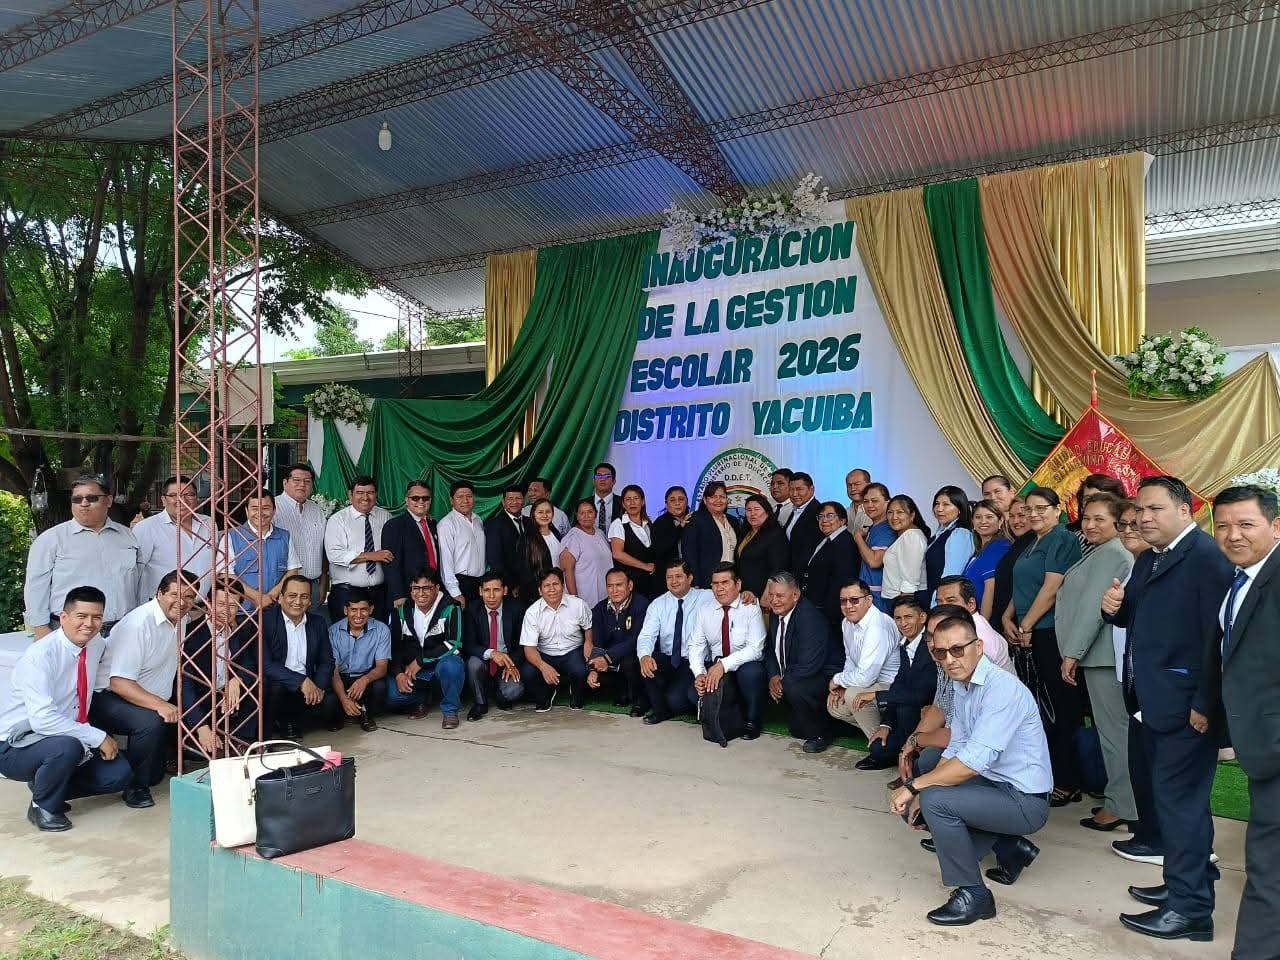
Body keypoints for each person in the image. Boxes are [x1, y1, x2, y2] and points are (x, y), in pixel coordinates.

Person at [1102, 475, 1233, 942]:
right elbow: (1133, 615)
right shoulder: (1151, 557)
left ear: (1185, 510)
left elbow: (1218, 639)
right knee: (1175, 804)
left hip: (1186, 709)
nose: (1143, 518)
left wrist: (1204, 704)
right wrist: (1113, 607)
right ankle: (1184, 884)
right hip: (1152, 702)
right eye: (1140, 509)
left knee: (1181, 807)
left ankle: (1191, 910)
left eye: (1155, 509)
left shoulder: (1206, 558)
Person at [889, 615, 1052, 927]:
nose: (950, 660)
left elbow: (970, 763)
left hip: (1025, 801)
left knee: (935, 801)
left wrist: (915, 788)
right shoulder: (965, 685)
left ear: (978, 647)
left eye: (958, 649)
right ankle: (1011, 848)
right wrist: (919, 791)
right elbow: (957, 748)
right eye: (941, 652)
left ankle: (974, 896)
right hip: (995, 785)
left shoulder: (1001, 690)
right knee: (923, 798)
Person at [1210, 485, 1280, 960]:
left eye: (1246, 524)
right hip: (1260, 744)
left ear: (1275, 527)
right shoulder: (1240, 579)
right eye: (1223, 526)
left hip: (1273, 744)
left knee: (1268, 867)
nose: (1233, 535)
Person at [0, 586, 133, 832]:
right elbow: (42, 720)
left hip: (67, 735)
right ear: (63, 617)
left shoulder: (95, 645)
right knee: (66, 747)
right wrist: (97, 736)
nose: (89, 624)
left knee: (118, 774)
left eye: (96, 617)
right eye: (81, 616)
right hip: (16, 744)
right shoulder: (40, 656)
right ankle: (43, 806)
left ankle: (46, 784)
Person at [1056, 493, 1136, 832]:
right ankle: (1122, 800)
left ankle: (1122, 806)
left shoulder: (1113, 553)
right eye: (1086, 518)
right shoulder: (1101, 551)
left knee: (1115, 735)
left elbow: (1093, 609)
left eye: (1099, 519)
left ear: (1117, 523)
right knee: (1114, 733)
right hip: (1099, 656)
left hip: (1102, 657)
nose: (1089, 525)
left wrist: (1072, 653)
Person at [90, 569, 198, 808]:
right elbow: (119, 682)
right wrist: (160, 704)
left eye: (190, 597)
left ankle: (132, 769)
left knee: (155, 776)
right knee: (150, 721)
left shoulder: (181, 620)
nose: (182, 602)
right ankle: (135, 788)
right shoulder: (139, 624)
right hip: (108, 696)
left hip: (143, 697)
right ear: (159, 593)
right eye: (175, 595)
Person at [1005, 486, 1083, 806]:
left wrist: (1026, 624)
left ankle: (1068, 781)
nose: (1033, 514)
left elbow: (1051, 588)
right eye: (1029, 509)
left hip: (1050, 632)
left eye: (1041, 508)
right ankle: (1045, 775)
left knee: (1060, 709)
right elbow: (1024, 586)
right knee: (1038, 708)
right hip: (1028, 633)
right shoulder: (1032, 541)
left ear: (1057, 510)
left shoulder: (1061, 539)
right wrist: (1008, 616)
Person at [24, 474, 141, 638]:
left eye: (91, 498)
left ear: (108, 500)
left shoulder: (127, 536)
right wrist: (41, 630)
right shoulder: (51, 540)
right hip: (70, 632)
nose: (84, 503)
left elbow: (138, 583)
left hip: (123, 631)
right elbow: (35, 587)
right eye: (77, 499)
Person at [688, 562, 767, 740]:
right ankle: (729, 712)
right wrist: (699, 673)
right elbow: (695, 645)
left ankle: (752, 720)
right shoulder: (704, 610)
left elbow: (756, 649)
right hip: (718, 666)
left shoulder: (750, 607)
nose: (720, 588)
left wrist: (723, 665)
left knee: (752, 674)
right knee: (692, 694)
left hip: (744, 666)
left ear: (738, 585)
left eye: (725, 583)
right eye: (715, 584)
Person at [859, 595, 938, 770]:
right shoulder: (905, 644)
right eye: (898, 618)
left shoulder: (930, 645)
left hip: (930, 718)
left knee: (905, 708)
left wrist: (877, 695)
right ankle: (903, 753)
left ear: (922, 617)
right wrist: (885, 725)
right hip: (907, 717)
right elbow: (898, 685)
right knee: (877, 749)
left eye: (908, 617)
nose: (903, 623)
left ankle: (913, 758)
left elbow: (921, 696)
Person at [180, 579, 257, 755]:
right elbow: (186, 688)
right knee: (199, 754)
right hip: (198, 704)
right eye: (221, 604)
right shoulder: (191, 635)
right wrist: (201, 727)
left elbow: (249, 664)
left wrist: (236, 680)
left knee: (256, 684)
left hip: (225, 700)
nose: (226, 611)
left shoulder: (238, 631)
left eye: (233, 606)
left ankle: (241, 741)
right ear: (208, 603)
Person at [764, 572, 837, 752]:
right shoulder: (777, 611)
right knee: (796, 728)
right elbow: (770, 648)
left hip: (825, 676)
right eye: (771, 595)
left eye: (780, 596)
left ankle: (821, 734)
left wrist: (781, 682)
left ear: (795, 595)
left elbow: (809, 665)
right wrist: (773, 676)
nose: (774, 600)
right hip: (797, 673)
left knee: (796, 689)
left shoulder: (809, 617)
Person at [262, 575, 339, 738]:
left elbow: (327, 661)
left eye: (304, 597)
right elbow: (266, 665)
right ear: (281, 598)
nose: (298, 602)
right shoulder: (266, 622)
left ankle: (291, 721)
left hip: (307, 686)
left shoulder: (317, 623)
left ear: (310, 601)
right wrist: (301, 681)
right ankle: (282, 724)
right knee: (277, 689)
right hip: (280, 684)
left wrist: (318, 687)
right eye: (292, 595)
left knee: (331, 704)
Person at [389, 568, 465, 729]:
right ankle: (421, 699)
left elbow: (455, 645)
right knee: (392, 695)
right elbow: (395, 647)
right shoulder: (402, 610)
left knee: (452, 665)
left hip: (439, 669)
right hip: (415, 674)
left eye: (426, 588)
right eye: (416, 588)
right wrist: (398, 674)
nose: (420, 593)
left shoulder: (451, 607)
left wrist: (421, 661)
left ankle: (450, 711)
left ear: (437, 588)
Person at [635, 559, 709, 724]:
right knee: (648, 659)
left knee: (677, 702)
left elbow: (731, 597)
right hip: (669, 660)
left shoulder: (707, 597)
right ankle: (660, 711)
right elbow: (646, 635)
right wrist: (644, 656)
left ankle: (678, 698)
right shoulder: (658, 604)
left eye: (678, 576)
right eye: (669, 577)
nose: (674, 581)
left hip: (693, 661)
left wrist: (748, 594)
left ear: (690, 578)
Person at [826, 578, 899, 741]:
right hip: (869, 682)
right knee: (835, 706)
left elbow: (866, 678)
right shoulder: (847, 622)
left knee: (853, 695)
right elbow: (850, 659)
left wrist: (837, 680)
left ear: (869, 600)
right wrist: (843, 685)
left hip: (890, 685)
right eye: (843, 601)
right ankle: (890, 733)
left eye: (854, 600)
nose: (848, 606)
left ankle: (880, 745)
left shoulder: (877, 626)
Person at [520, 568, 593, 712]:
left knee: (580, 670)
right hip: (545, 654)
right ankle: (547, 691)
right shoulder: (532, 612)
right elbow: (529, 649)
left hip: (572, 651)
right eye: (546, 586)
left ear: (563, 586)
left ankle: (575, 692)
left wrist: (588, 642)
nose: (552, 589)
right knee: (528, 672)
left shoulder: (578, 604)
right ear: (540, 590)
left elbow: (588, 627)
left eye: (555, 584)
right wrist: (543, 666)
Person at [220, 487, 302, 613]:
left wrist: (271, 596)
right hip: (242, 612)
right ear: (247, 511)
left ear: (274, 510)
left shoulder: (284, 536)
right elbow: (226, 575)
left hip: (277, 609)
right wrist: (258, 597)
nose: (260, 513)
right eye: (254, 508)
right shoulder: (231, 536)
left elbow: (292, 570)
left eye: (265, 508)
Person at [133, 474, 214, 599]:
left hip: (203, 606)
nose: (182, 500)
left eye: (189, 494)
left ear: (196, 498)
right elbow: (135, 572)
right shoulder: (146, 528)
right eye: (173, 495)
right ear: (163, 500)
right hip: (163, 606)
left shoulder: (208, 523)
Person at [324, 474, 392, 621]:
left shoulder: (385, 516)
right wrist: (371, 555)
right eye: (360, 493)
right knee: (345, 634)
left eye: (370, 492)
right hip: (347, 594)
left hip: (379, 594)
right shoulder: (338, 519)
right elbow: (334, 555)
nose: (365, 497)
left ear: (376, 494)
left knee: (378, 633)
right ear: (350, 494)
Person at [461, 572, 525, 720]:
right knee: (473, 663)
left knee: (514, 691)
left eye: (496, 590)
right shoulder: (472, 610)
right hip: (484, 660)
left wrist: (511, 663)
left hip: (506, 662)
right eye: (486, 590)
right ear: (480, 591)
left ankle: (499, 695)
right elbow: (468, 644)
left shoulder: (516, 608)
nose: (491, 596)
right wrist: (492, 653)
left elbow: (524, 644)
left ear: (505, 591)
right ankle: (480, 703)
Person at [587, 568, 650, 713]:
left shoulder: (642, 605)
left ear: (630, 585)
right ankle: (621, 692)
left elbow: (637, 640)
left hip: (632, 655)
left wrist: (608, 658)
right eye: (610, 586)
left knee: (630, 662)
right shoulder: (599, 608)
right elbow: (598, 641)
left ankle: (640, 700)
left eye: (619, 585)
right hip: (609, 658)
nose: (614, 590)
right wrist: (593, 668)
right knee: (587, 669)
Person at [328, 587, 391, 733]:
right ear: (346, 610)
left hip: (366, 677)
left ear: (371, 610)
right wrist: (344, 699)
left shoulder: (382, 630)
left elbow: (382, 667)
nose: (358, 615)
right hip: (341, 678)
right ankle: (343, 711)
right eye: (353, 610)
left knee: (380, 687)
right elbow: (333, 671)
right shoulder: (333, 631)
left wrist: (364, 680)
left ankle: (366, 714)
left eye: (363, 610)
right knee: (329, 702)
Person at [800, 501, 858, 649]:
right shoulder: (826, 539)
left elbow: (842, 580)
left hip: (829, 612)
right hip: (815, 607)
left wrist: (829, 613)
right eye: (820, 516)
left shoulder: (845, 542)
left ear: (843, 520)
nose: (824, 520)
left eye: (830, 516)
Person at [273, 463, 329, 615]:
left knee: (312, 627)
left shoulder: (316, 509)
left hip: (313, 586)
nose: (302, 485)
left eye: (307, 481)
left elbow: (323, 548)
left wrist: (324, 581)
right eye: (296, 480)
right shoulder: (273, 508)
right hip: (283, 587)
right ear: (285, 482)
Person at [381, 480, 443, 611]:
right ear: (406, 500)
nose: (421, 501)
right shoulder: (395, 525)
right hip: (407, 594)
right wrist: (398, 594)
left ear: (430, 500)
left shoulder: (433, 524)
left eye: (425, 498)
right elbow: (390, 563)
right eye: (415, 498)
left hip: (433, 592)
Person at [935, 576, 1011, 671]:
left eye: (951, 601)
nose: (943, 608)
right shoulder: (968, 624)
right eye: (939, 602)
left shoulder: (978, 637)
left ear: (971, 604)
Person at [682, 480, 740, 589]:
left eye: (722, 497)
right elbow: (690, 555)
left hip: (731, 581)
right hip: (708, 582)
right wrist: (695, 583)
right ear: (705, 500)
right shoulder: (696, 520)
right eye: (713, 497)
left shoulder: (733, 521)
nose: (718, 500)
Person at [991, 497, 1033, 648]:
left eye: (1021, 515)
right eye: (1012, 516)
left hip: (1022, 624)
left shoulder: (1034, 544)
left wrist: (1008, 617)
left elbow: (1027, 585)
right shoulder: (1016, 545)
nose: (1016, 521)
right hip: (1008, 624)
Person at [438, 480, 486, 608]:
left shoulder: (478, 520)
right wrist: (455, 592)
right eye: (460, 497)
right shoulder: (446, 524)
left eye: (469, 496)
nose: (465, 500)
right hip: (461, 584)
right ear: (451, 500)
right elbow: (445, 562)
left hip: (481, 583)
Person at [734, 493, 790, 599]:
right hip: (743, 592)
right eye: (749, 510)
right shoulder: (745, 532)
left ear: (767, 512)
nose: (753, 513)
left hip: (762, 593)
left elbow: (778, 568)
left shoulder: (775, 534)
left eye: (757, 509)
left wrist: (767, 594)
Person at [961, 500, 1010, 619]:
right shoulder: (979, 551)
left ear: (1000, 521)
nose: (983, 521)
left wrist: (983, 624)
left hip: (986, 620)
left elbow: (990, 588)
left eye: (989, 517)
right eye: (978, 517)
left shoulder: (999, 547)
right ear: (972, 521)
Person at [559, 499, 612, 610]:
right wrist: (574, 599)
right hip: (585, 599)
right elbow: (567, 570)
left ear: (596, 514)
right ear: (577, 516)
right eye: (582, 513)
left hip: (605, 596)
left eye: (590, 512)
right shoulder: (573, 537)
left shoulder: (600, 533)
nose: (586, 516)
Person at [607, 484, 658, 599]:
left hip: (651, 583)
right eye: (628, 499)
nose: (632, 503)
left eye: (636, 498)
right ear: (623, 504)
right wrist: (645, 566)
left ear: (642, 502)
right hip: (630, 585)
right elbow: (617, 554)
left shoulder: (650, 523)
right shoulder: (618, 524)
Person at [926, 485, 976, 601]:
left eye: (946, 504)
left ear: (959, 509)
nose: (939, 509)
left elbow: (951, 576)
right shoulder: (939, 534)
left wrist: (937, 604)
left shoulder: (960, 534)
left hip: (942, 601)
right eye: (937, 504)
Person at [485, 484, 533, 601]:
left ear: (523, 501)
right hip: (510, 588)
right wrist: (511, 585)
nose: (514, 502)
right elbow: (495, 560)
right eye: (510, 499)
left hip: (531, 584)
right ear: (503, 502)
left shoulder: (530, 522)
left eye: (518, 498)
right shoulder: (494, 524)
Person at [852, 482, 895, 610]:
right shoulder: (874, 527)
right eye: (866, 501)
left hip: (879, 599)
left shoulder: (886, 529)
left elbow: (874, 561)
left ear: (887, 502)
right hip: (869, 596)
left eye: (874, 501)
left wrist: (858, 537)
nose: (869, 505)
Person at [881, 495, 929, 610]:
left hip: (904, 599)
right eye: (890, 512)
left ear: (912, 515)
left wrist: (903, 608)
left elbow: (910, 581)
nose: (894, 517)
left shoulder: (910, 536)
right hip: (899, 598)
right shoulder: (906, 535)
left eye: (900, 512)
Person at [1072, 473, 1128, 558]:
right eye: (1087, 499)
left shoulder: (1129, 544)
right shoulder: (1071, 537)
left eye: (1101, 498)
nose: (1093, 503)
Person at [784, 472, 822, 572]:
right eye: (791, 489)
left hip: (807, 573)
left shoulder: (819, 512)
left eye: (799, 489)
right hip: (790, 571)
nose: (794, 494)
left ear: (811, 489)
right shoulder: (795, 510)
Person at [650, 485, 692, 574]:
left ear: (687, 501)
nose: (677, 503)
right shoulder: (660, 523)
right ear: (666, 504)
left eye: (681, 499)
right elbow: (660, 549)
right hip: (667, 574)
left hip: (691, 573)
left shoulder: (694, 520)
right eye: (672, 500)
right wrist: (680, 527)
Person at [525, 498, 562, 596]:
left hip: (559, 586)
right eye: (540, 512)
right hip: (540, 590)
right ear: (533, 514)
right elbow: (526, 570)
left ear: (553, 514)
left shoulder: (556, 533)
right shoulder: (527, 538)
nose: (545, 515)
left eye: (548, 512)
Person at [590, 462, 623, 533]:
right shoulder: (583, 504)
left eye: (607, 476)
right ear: (593, 481)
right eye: (599, 476)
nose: (602, 479)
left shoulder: (623, 503)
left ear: (614, 481)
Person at [846, 468, 872, 534]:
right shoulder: (845, 513)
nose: (853, 489)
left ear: (869, 485)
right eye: (849, 485)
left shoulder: (877, 511)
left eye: (857, 484)